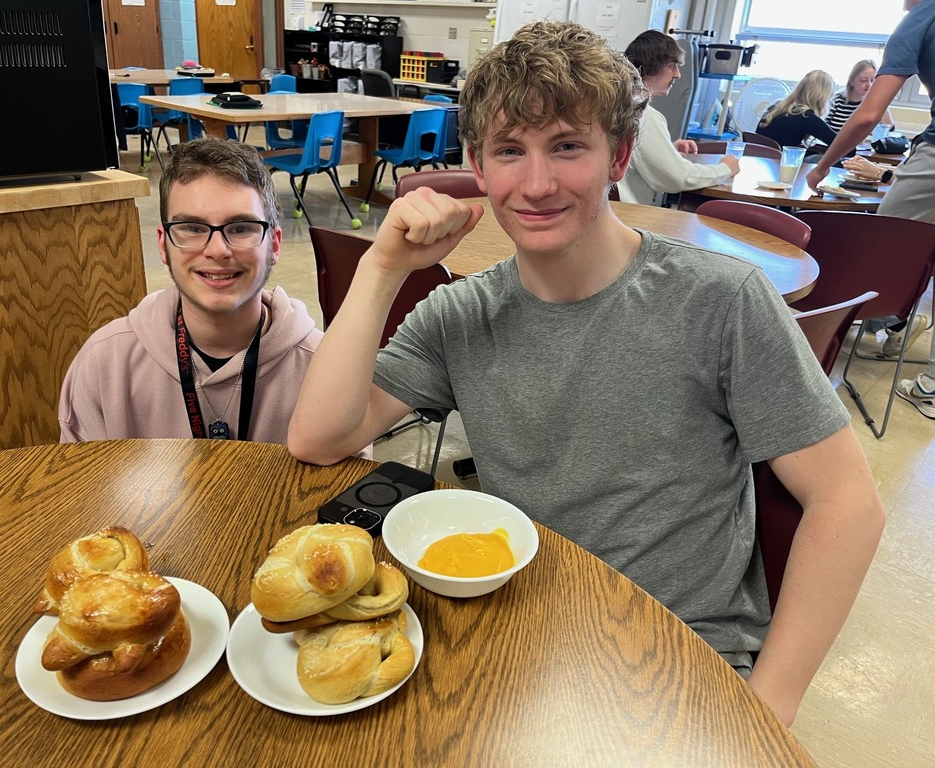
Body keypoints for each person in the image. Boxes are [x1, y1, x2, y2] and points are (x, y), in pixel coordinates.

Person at [289, 21, 885, 726]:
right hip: (522, 635)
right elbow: (319, 438)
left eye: (567, 146)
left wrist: (767, 710)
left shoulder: (721, 300)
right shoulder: (459, 314)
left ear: (618, 155)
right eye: (510, 150)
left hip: (681, 657)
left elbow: (848, 505)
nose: (536, 184)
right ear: (478, 165)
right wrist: (382, 269)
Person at [60, 137, 325, 444]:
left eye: (241, 228)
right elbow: (85, 488)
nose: (217, 250)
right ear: (163, 244)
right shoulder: (104, 365)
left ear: (274, 245)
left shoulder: (323, 370)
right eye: (192, 228)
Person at [806, 0, 935, 416]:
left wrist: (824, 165)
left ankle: (881, 325)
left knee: (886, 247)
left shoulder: (921, 17)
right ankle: (928, 378)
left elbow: (869, 115)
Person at [615, 30, 739, 206]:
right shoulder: (644, 115)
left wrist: (667, 150)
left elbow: (631, 159)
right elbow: (679, 178)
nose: (678, 75)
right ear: (651, 66)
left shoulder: (617, 104)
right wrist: (725, 169)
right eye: (672, 66)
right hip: (630, 219)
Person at [755, 69, 838, 152]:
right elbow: (837, 143)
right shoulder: (806, 117)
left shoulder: (775, 108)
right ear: (823, 96)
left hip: (758, 158)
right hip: (781, 161)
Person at [825, 59, 896, 133]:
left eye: (873, 80)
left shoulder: (875, 105)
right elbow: (823, 130)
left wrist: (883, 108)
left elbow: (890, 131)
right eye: (864, 80)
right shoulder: (836, 101)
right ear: (852, 81)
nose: (869, 84)